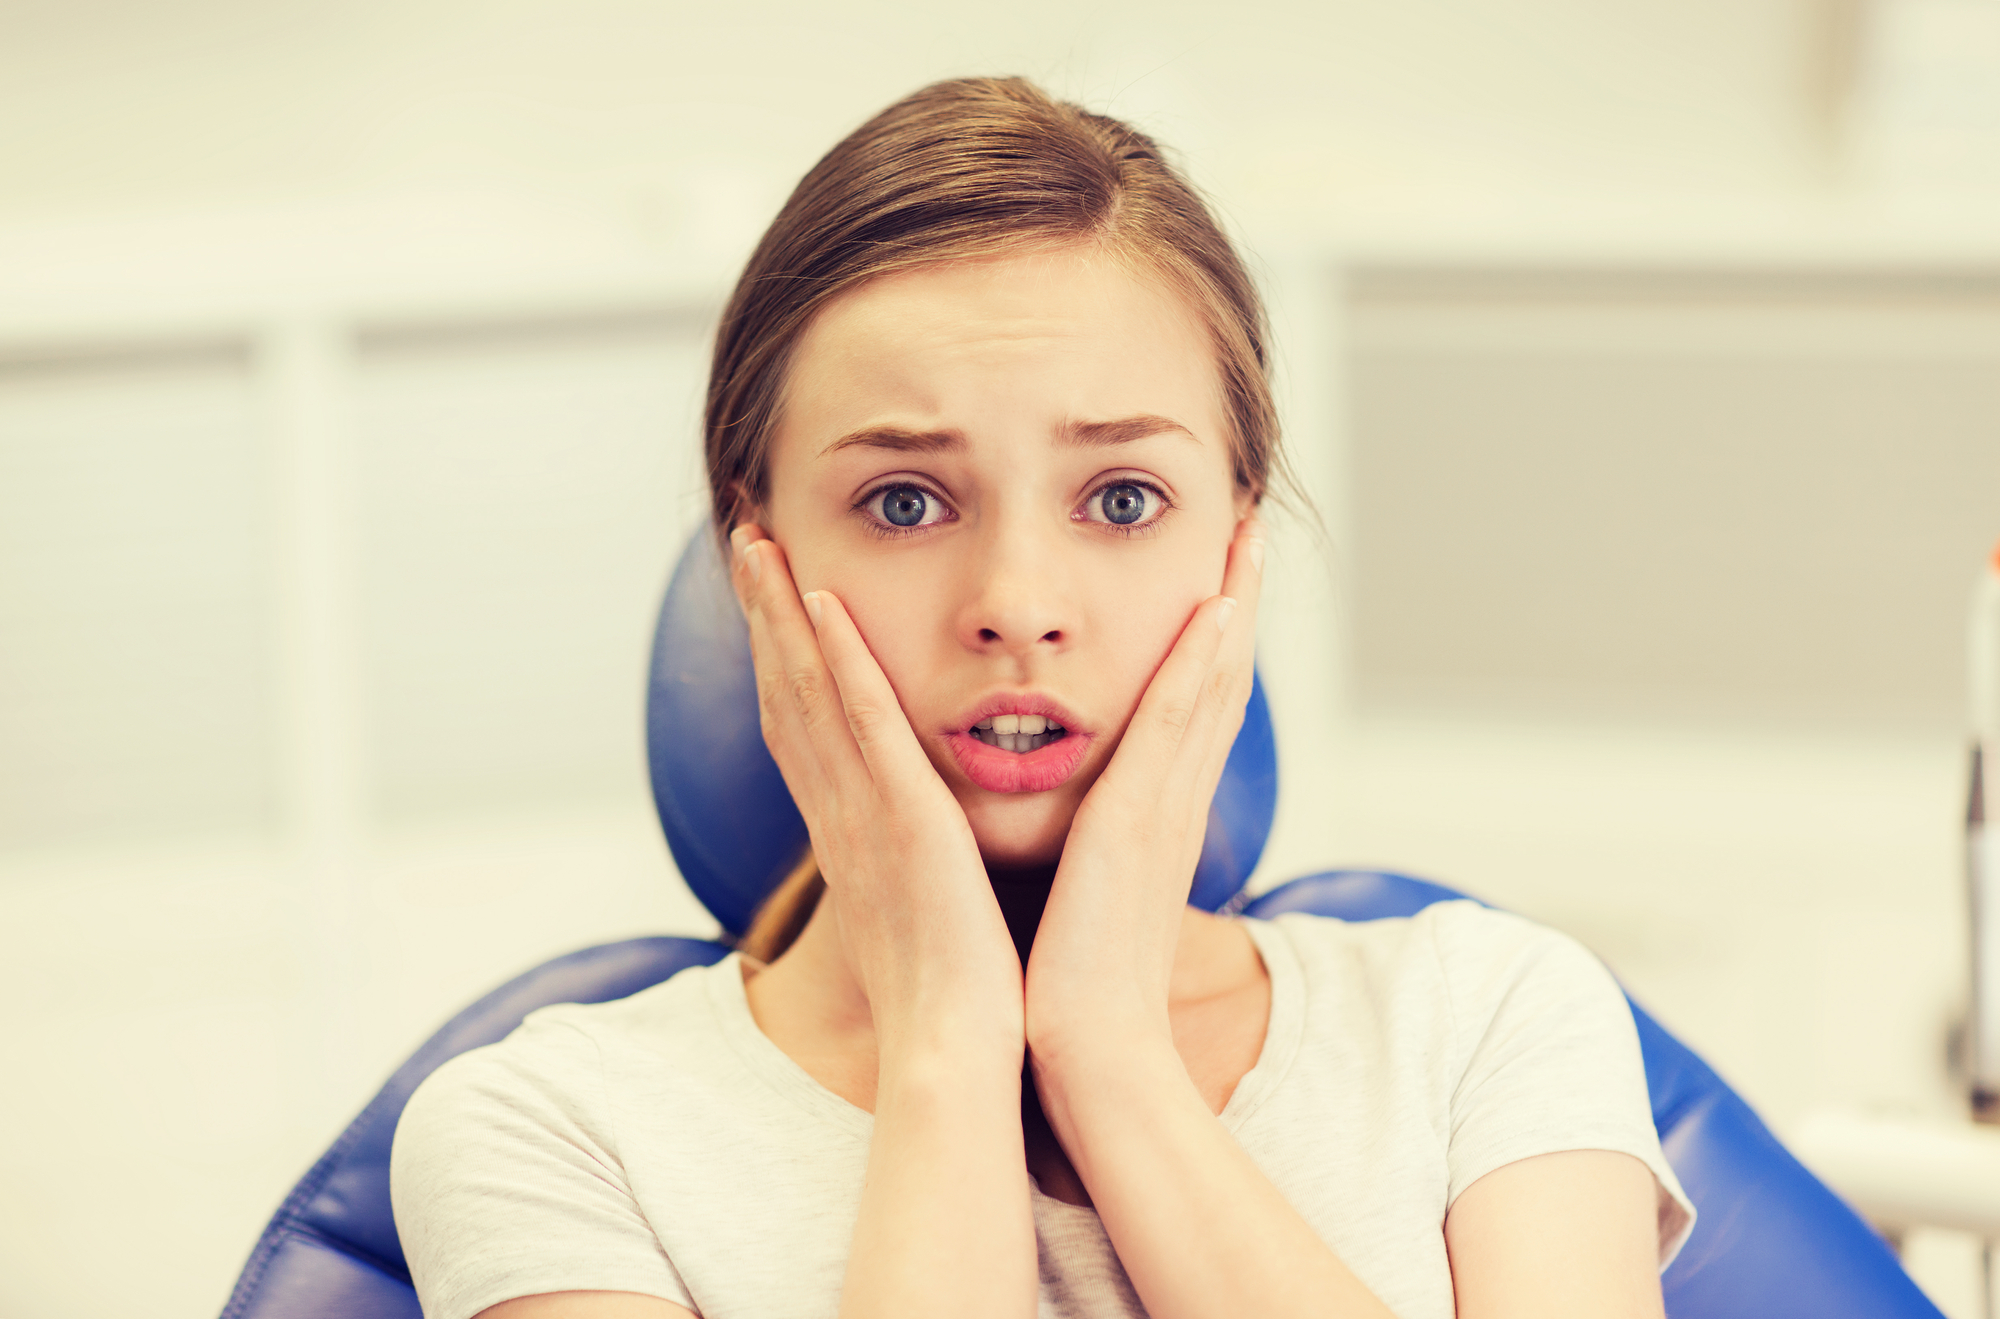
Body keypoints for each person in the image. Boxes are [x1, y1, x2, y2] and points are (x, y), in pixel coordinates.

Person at [390, 76, 1693, 1319]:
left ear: (1238, 545)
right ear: (759, 564)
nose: (1017, 600)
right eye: (903, 502)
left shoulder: (1488, 1012)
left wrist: (1108, 1057)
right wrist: (950, 1042)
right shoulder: (546, 1129)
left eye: (1123, 499)